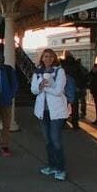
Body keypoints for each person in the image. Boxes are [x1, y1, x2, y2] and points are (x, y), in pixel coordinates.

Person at [31, 48, 69, 180]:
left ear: (54, 58)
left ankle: (60, 169)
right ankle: (52, 166)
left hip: (56, 112)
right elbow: (34, 90)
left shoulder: (60, 71)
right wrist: (40, 86)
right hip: (42, 111)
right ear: (42, 58)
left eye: (50, 57)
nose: (48, 59)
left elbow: (58, 91)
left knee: (55, 140)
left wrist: (44, 87)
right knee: (48, 141)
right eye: (45, 56)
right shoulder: (37, 72)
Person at [61, 51, 85, 130]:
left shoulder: (62, 64)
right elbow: (81, 76)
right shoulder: (76, 64)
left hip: (64, 87)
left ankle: (63, 122)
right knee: (75, 106)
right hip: (74, 87)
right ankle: (75, 124)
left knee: (64, 106)